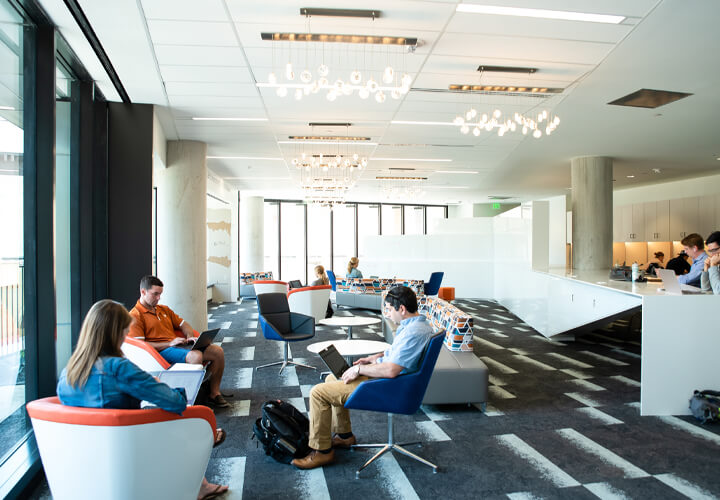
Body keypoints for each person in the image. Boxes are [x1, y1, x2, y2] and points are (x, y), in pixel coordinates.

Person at [57, 300, 229, 500]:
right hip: (127, 444)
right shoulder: (119, 368)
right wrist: (156, 383)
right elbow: (175, 402)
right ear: (115, 333)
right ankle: (202, 438)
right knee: (179, 417)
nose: (125, 336)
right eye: (124, 330)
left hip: (86, 450)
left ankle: (201, 484)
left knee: (156, 416)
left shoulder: (68, 372)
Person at [291, 286, 434, 470]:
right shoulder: (415, 325)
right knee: (331, 380)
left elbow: (391, 370)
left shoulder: (414, 332)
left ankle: (322, 452)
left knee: (318, 393)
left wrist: (360, 369)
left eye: (389, 309)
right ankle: (344, 436)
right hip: (390, 379)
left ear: (402, 309)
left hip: (390, 386)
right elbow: (397, 354)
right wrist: (373, 358)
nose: (388, 314)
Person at [129, 275, 229, 408]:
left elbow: (183, 324)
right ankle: (192, 400)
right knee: (196, 356)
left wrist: (189, 337)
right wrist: (169, 343)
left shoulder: (163, 309)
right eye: (155, 294)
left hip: (178, 346)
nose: (158, 298)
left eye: (160, 294)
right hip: (161, 351)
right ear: (143, 292)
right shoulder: (135, 316)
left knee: (217, 351)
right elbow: (142, 346)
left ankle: (213, 393)